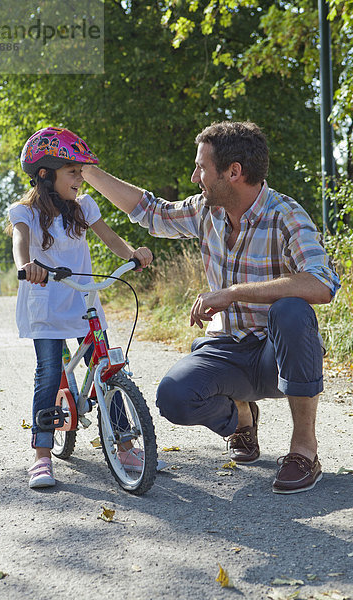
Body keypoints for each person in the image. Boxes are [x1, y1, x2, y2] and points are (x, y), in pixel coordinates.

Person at [81, 120, 340, 495]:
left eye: (201, 167)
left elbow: (321, 282)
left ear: (233, 172)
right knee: (174, 397)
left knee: (292, 310)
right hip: (226, 350)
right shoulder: (206, 211)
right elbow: (149, 211)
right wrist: (87, 170)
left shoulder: (286, 215)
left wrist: (233, 292)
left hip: (276, 353)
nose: (193, 177)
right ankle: (242, 419)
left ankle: (303, 451)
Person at [7, 126, 155, 489]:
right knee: (47, 372)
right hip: (46, 304)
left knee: (106, 365)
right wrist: (27, 266)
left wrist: (132, 254)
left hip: (82, 298)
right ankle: (42, 456)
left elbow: (110, 238)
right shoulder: (24, 212)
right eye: (73, 171)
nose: (79, 177)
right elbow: (20, 245)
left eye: (81, 171)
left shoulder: (84, 206)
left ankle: (125, 447)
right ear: (45, 174)